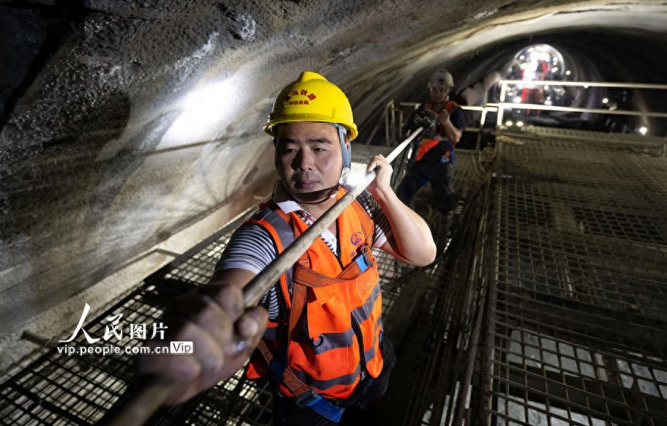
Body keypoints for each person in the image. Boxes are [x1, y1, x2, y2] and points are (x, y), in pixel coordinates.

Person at [138, 71, 436, 425]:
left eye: (319, 147)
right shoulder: (265, 237)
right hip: (309, 404)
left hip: (372, 367)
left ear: (345, 149)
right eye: (289, 148)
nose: (304, 163)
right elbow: (230, 288)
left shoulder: (358, 206)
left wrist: (385, 192)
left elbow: (423, 254)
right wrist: (201, 324)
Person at [396, 68, 465, 253]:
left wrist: (446, 122)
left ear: (447, 90)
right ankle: (413, 233)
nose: (437, 93)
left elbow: (456, 137)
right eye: (434, 89)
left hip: (442, 159)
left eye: (441, 90)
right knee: (404, 192)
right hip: (424, 157)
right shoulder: (423, 109)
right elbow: (409, 130)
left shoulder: (454, 111)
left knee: (444, 200)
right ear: (430, 89)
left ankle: (441, 242)